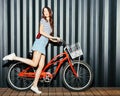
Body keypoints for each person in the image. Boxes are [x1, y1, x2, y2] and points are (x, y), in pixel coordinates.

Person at [3, 7, 61, 94]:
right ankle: (14, 57)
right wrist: (53, 37)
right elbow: (41, 32)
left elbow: (48, 37)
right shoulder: (43, 20)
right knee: (34, 63)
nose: (45, 12)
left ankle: (34, 86)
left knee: (40, 66)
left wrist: (56, 39)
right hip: (39, 44)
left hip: (43, 46)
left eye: (47, 11)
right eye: (44, 11)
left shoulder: (50, 23)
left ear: (50, 12)